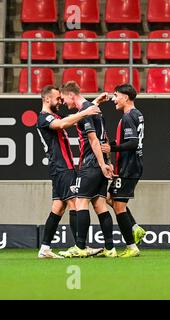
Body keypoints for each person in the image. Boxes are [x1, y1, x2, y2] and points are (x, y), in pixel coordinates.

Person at [37, 85, 101, 258]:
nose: (60, 101)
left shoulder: (52, 115)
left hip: (60, 168)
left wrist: (92, 103)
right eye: (57, 98)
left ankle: (44, 248)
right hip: (62, 167)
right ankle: (81, 247)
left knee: (58, 207)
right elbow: (64, 123)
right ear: (47, 99)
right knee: (75, 203)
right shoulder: (43, 118)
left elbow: (71, 118)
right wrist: (85, 113)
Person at [58, 81, 117, 258]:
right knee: (100, 205)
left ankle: (80, 247)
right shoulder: (93, 109)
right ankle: (110, 248)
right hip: (100, 164)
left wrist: (101, 164)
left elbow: (94, 140)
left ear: (71, 95)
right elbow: (104, 137)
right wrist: (107, 162)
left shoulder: (86, 113)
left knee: (80, 202)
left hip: (91, 164)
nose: (63, 103)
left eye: (63, 98)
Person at [99, 84, 146, 258]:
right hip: (133, 165)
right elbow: (131, 141)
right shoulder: (137, 114)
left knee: (118, 206)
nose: (113, 99)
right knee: (111, 199)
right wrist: (114, 145)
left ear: (125, 98)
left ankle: (132, 247)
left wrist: (111, 149)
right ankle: (135, 229)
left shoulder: (127, 117)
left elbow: (132, 144)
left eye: (116, 95)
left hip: (129, 167)